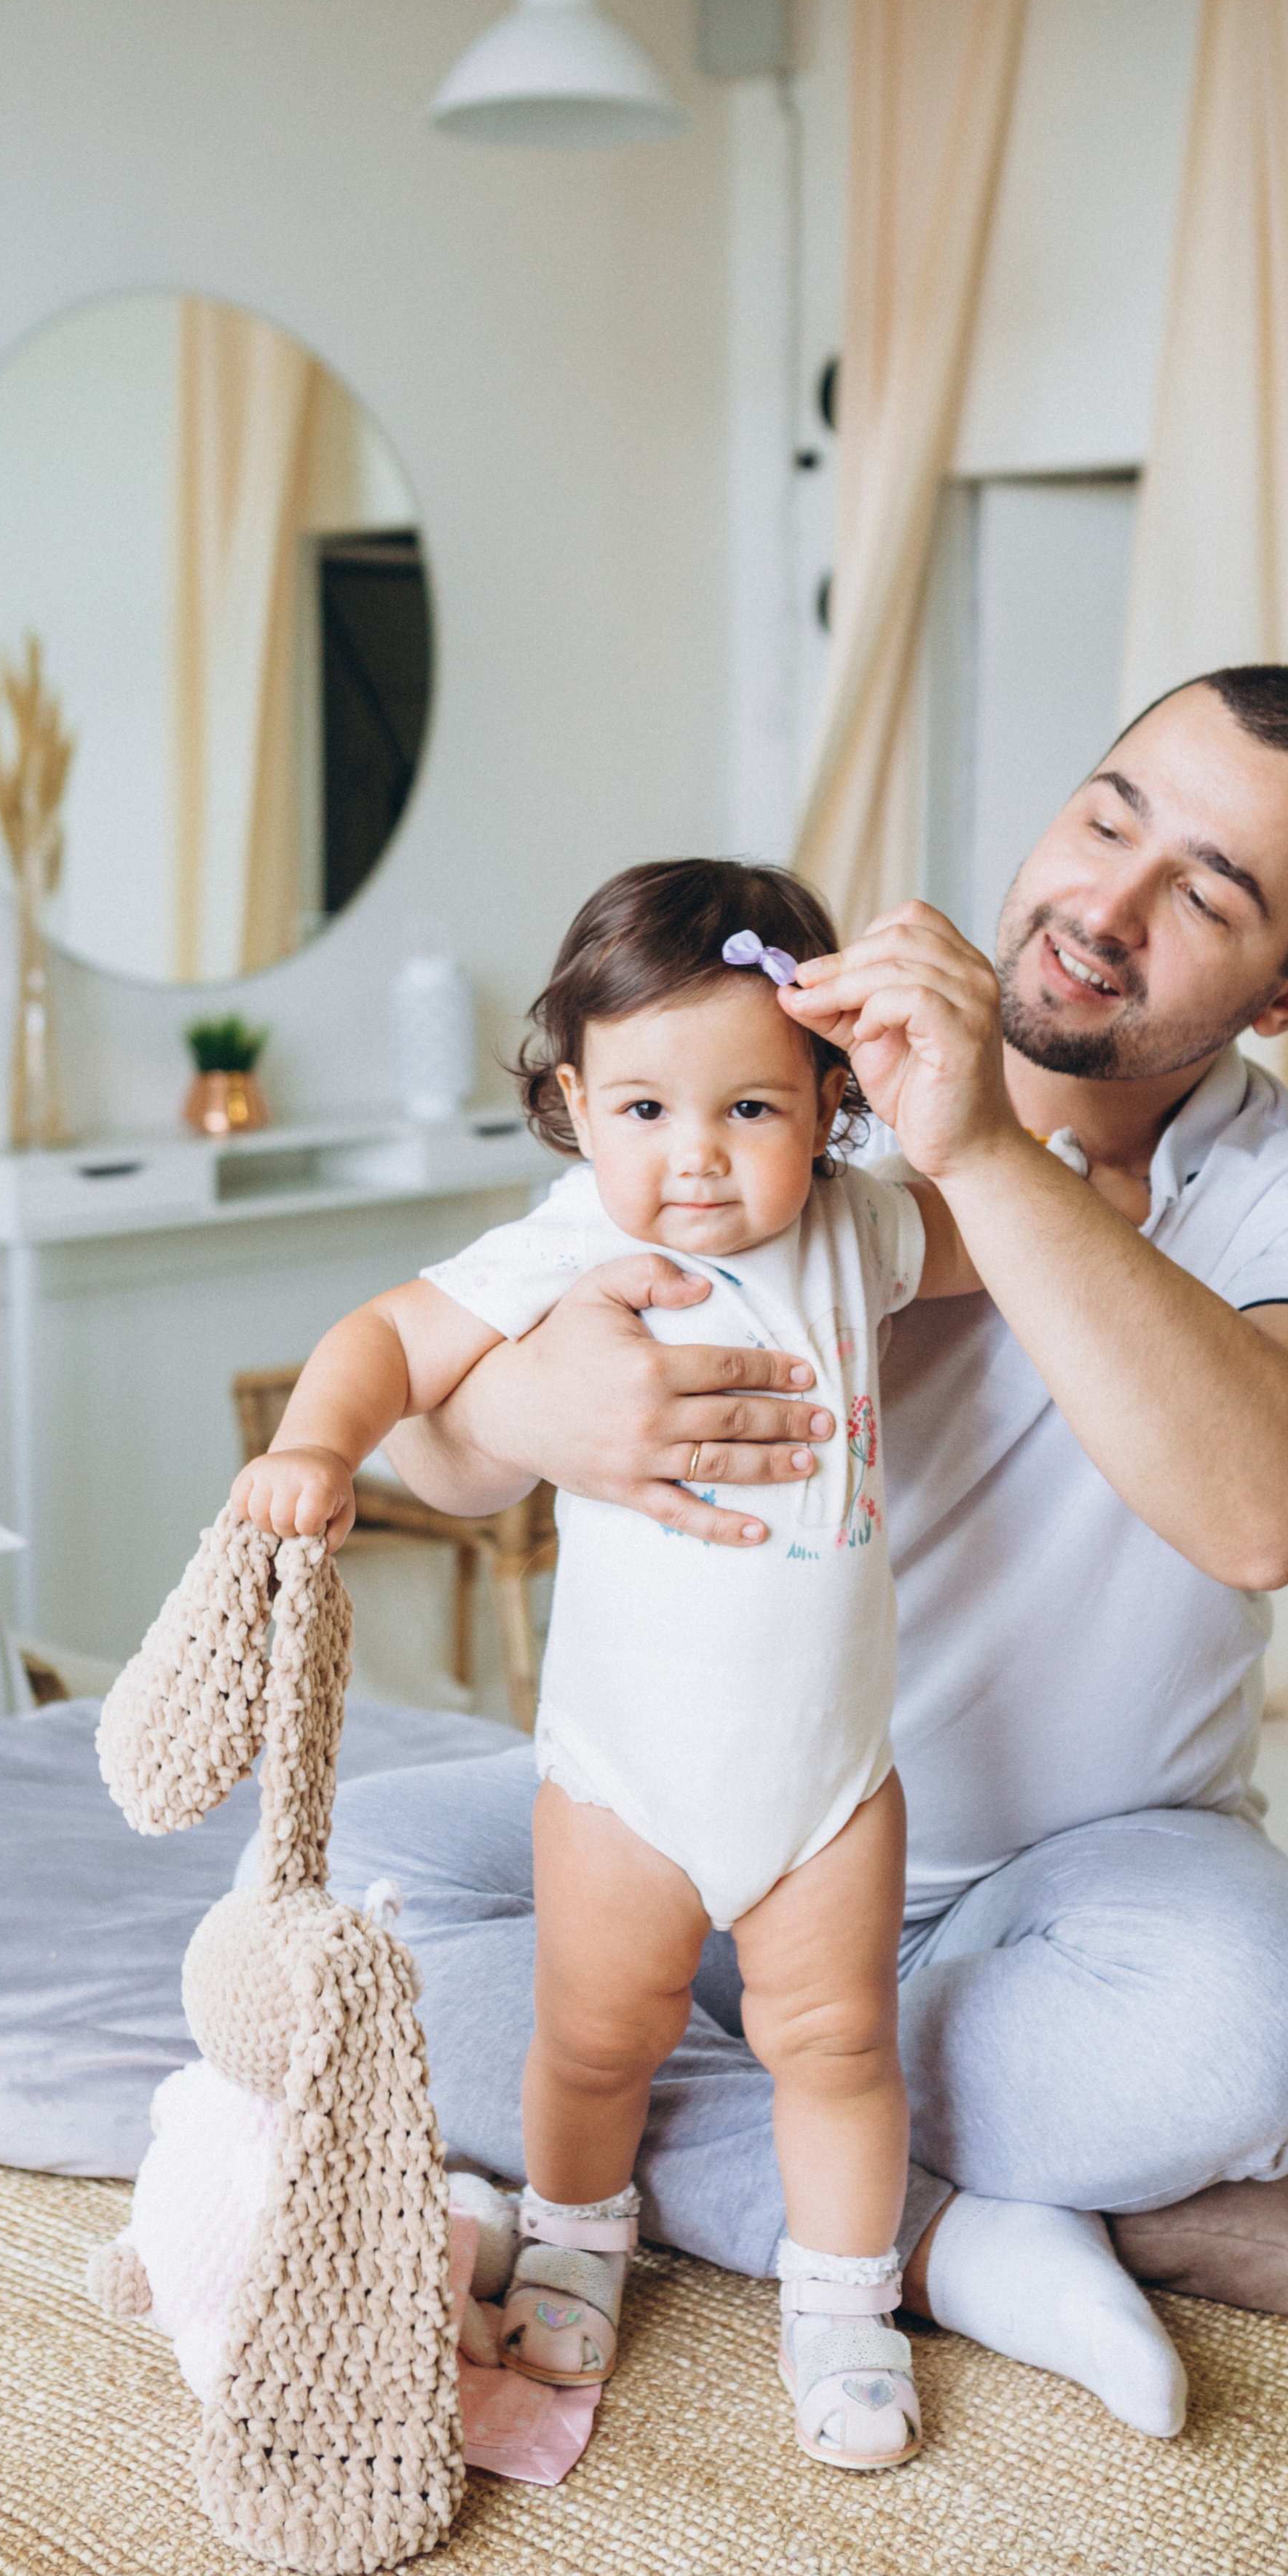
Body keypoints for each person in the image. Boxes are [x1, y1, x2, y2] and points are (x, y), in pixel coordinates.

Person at [355, 663, 1288, 2443]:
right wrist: (527, 1421)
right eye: (1107, 815)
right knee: (324, 1905)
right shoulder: (773, 1069)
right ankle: (927, 2244)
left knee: (1253, 2042)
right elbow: (435, 1437)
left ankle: (632, 2150)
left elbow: (1272, 1511)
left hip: (1059, 1883)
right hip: (692, 1812)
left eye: (1207, 894)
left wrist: (985, 1152)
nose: (1103, 904)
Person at [232, 858, 995, 2471]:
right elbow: (384, 1339)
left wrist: (979, 1124)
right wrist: (317, 1444)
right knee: (592, 2037)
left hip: (827, 1779)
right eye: (642, 1110)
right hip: (622, 1779)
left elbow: (1029, 1224)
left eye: (749, 1112)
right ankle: (577, 2237)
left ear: (829, 1106)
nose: (695, 1159)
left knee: (841, 2045)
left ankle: (844, 2306)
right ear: (577, 1107)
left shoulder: (864, 1233)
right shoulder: (568, 1241)